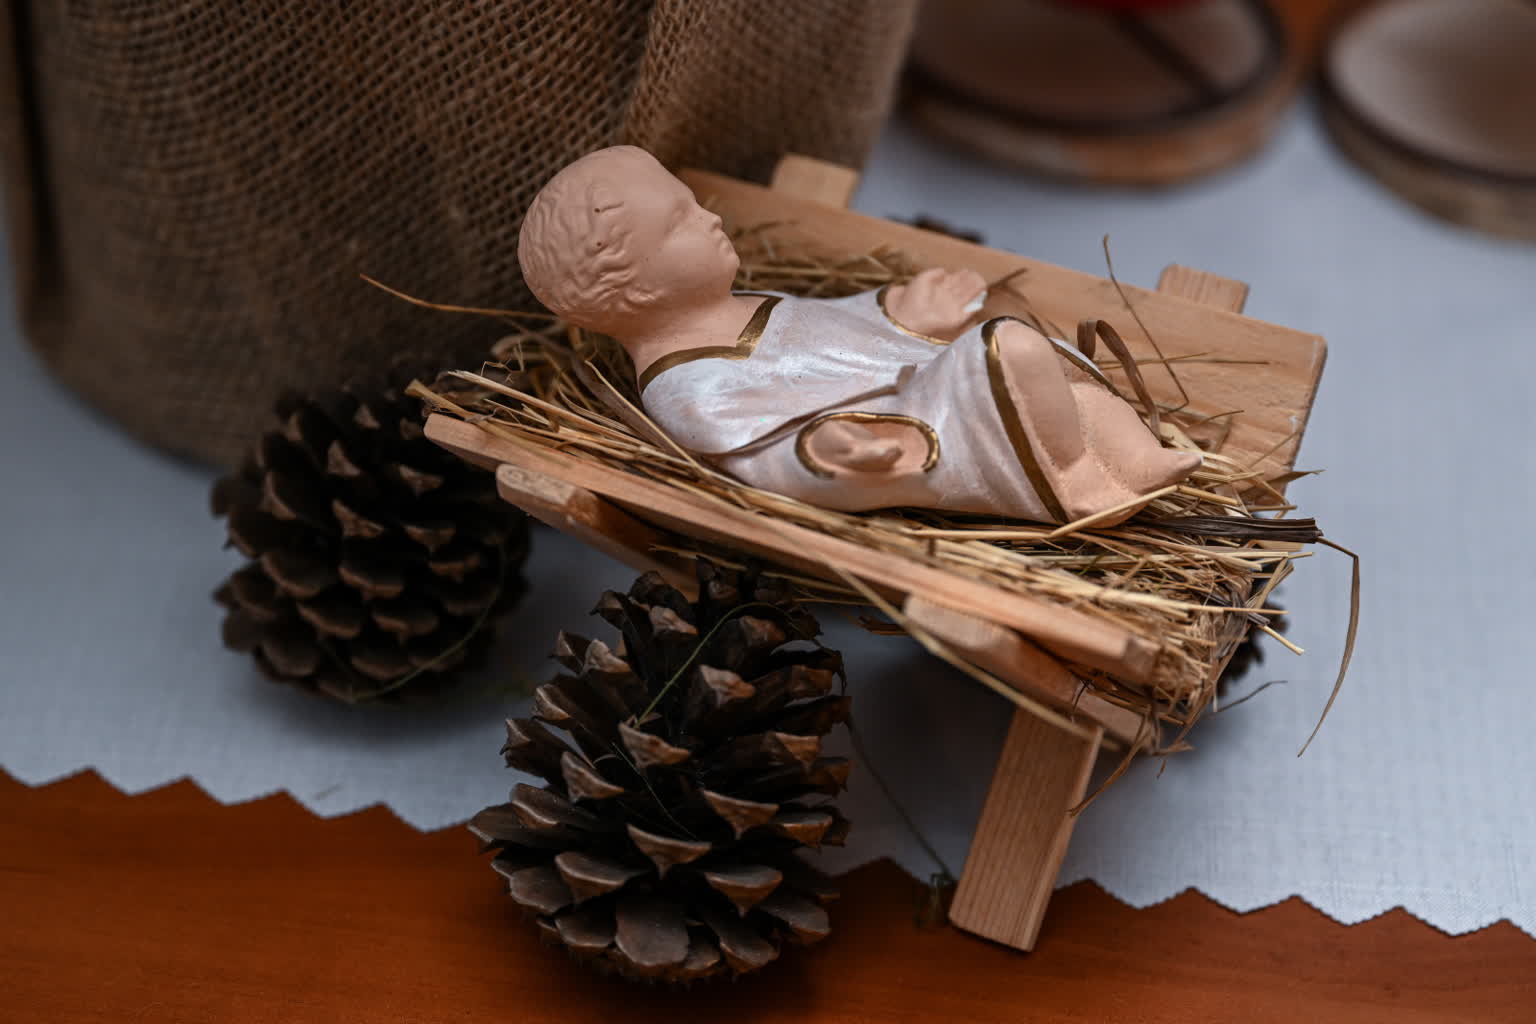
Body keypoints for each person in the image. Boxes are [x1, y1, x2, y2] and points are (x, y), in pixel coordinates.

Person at [517, 146, 1199, 526]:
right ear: (636, 291)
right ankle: (1080, 487)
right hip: (898, 436)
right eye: (679, 224)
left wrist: (902, 314)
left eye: (693, 204)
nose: (710, 218)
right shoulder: (687, 388)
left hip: (914, 378)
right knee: (1009, 354)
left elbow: (834, 327)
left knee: (1043, 356)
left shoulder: (745, 303)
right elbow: (762, 461)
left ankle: (1138, 460)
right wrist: (823, 451)